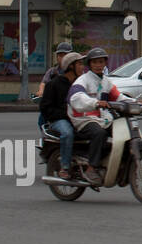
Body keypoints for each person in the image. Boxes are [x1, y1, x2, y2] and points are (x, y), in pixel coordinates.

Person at [65, 46, 127, 182]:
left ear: (105, 63)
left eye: (101, 62)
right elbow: (76, 98)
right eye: (95, 62)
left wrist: (135, 102)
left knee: (121, 131)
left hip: (101, 118)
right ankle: (91, 169)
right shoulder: (82, 80)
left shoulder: (106, 82)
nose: (98, 65)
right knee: (99, 133)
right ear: (89, 64)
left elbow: (118, 97)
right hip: (83, 119)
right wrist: (96, 103)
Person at [40, 51, 84, 179]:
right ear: (71, 66)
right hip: (59, 120)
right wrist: (65, 114)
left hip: (80, 118)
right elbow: (45, 108)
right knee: (67, 133)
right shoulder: (53, 84)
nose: (83, 67)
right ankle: (65, 167)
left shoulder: (80, 84)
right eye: (80, 64)